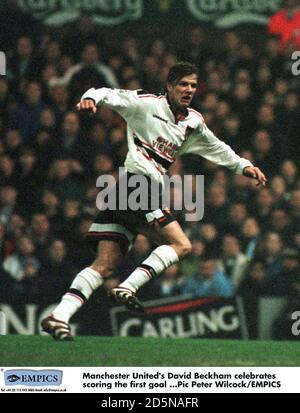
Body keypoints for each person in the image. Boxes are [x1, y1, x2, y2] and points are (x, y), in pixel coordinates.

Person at [41, 61, 267, 340]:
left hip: (128, 191)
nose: (189, 90)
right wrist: (90, 97)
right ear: (169, 86)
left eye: (193, 85)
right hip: (136, 184)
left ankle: (58, 315)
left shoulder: (192, 122)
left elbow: (217, 147)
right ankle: (128, 288)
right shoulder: (146, 104)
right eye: (183, 84)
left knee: (106, 264)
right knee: (181, 244)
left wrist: (244, 165)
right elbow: (108, 93)